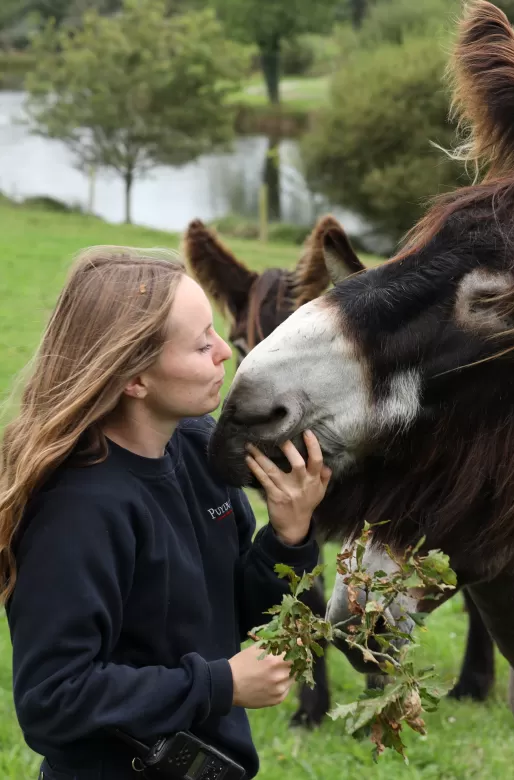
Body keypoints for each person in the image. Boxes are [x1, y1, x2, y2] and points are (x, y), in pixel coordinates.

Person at [0, 246, 331, 780]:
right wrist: (219, 684)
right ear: (135, 378)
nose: (226, 351)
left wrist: (287, 536)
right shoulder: (76, 512)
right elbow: (52, 699)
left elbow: (231, 611)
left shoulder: (198, 451)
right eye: (202, 344)